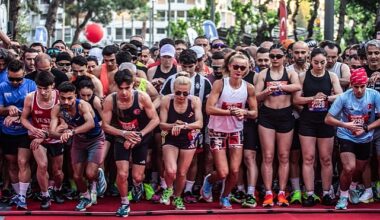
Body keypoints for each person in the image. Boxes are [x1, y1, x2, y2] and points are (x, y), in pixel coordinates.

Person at [201, 51, 258, 209]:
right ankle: (209, 180)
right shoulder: (220, 84)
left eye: (242, 67)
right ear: (229, 67)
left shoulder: (249, 88)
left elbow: (254, 113)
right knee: (223, 172)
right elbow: (209, 109)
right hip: (217, 131)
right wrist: (231, 112)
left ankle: (225, 196)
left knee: (234, 170)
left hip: (235, 131)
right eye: (236, 66)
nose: (239, 70)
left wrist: (245, 112)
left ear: (247, 69)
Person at [102, 69, 159, 217]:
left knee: (138, 176)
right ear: (116, 86)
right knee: (122, 174)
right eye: (121, 89)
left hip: (141, 136)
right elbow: (105, 126)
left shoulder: (142, 97)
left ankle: (138, 186)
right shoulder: (110, 100)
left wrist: (140, 134)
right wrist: (124, 133)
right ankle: (124, 203)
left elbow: (155, 120)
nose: (124, 93)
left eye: (127, 88)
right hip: (121, 136)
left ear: (133, 85)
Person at [293, 48, 343, 206]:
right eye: (316, 62)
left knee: (326, 159)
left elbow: (341, 95)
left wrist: (327, 98)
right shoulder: (303, 76)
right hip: (307, 121)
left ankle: (327, 192)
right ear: (310, 60)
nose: (320, 65)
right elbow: (296, 100)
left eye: (323, 62)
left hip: (326, 121)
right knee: (308, 158)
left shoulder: (332, 76)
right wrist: (312, 98)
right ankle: (309, 193)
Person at [325, 68, 380, 210]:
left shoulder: (374, 95)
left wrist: (366, 128)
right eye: (356, 87)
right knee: (349, 167)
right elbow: (328, 119)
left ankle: (353, 187)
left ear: (366, 84)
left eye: (363, 86)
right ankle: (343, 197)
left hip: (365, 137)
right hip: (346, 135)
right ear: (351, 85)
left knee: (359, 169)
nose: (360, 90)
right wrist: (345, 125)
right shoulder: (344, 97)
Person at [49, 82, 107, 211]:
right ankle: (85, 197)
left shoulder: (82, 105)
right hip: (79, 141)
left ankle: (98, 174)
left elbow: (91, 123)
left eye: (70, 98)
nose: (66, 101)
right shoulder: (57, 109)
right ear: (58, 97)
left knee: (90, 174)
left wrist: (71, 132)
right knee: (76, 176)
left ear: (75, 96)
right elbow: (51, 132)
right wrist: (61, 135)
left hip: (95, 139)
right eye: (63, 98)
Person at [255, 44, 301, 207]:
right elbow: (255, 96)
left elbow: (297, 86)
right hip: (267, 116)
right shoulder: (263, 74)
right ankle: (268, 192)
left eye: (278, 56)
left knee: (283, 156)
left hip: (285, 116)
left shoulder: (290, 72)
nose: (275, 59)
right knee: (268, 156)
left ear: (284, 57)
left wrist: (281, 86)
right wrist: (266, 92)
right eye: (272, 56)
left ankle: (281, 192)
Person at [20, 71, 65, 209]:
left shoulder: (60, 98)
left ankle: (57, 189)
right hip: (37, 137)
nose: (42, 92)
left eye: (46, 88)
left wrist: (47, 134)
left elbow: (64, 124)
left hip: (55, 137)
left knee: (57, 171)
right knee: (43, 165)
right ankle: (45, 195)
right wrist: (32, 129)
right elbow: (23, 118)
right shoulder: (30, 98)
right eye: (39, 88)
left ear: (53, 86)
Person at [159, 76, 203, 210]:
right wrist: (173, 125)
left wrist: (184, 126)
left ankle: (178, 197)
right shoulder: (166, 99)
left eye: (185, 93)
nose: (181, 96)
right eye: (178, 92)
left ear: (189, 92)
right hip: (170, 137)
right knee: (171, 171)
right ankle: (169, 189)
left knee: (182, 173)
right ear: (173, 90)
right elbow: (161, 124)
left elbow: (200, 123)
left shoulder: (195, 101)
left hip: (188, 138)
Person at [0, 59, 37, 209]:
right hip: (7, 131)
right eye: (11, 79)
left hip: (25, 130)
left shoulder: (31, 85)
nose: (15, 82)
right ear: (7, 75)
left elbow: (36, 109)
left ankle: (22, 196)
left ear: (25, 74)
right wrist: (9, 108)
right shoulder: (2, 86)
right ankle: (18, 193)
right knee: (12, 163)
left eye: (18, 79)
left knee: (23, 162)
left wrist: (18, 114)